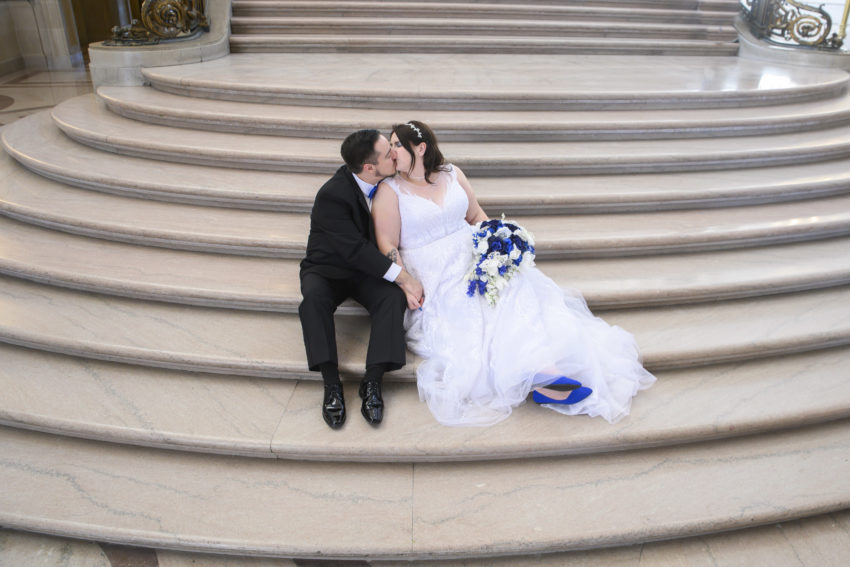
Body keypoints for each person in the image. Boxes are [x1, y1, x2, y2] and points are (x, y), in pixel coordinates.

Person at [371, 121, 656, 426]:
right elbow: (387, 243)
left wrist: (497, 244)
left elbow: (476, 215)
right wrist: (406, 283)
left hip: (473, 257)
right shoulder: (390, 191)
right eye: (390, 146)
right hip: (434, 277)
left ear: (421, 148)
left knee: (514, 288)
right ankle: (539, 375)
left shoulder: (451, 174)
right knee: (477, 311)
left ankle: (544, 370)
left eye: (397, 145)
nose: (392, 153)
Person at [299, 129, 424, 429]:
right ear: (369, 167)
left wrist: (399, 283)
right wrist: (404, 277)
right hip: (327, 269)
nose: (394, 154)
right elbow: (355, 251)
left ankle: (372, 381)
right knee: (313, 301)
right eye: (387, 153)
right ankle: (331, 383)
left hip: (364, 271)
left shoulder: (388, 181)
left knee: (391, 299)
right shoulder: (332, 195)